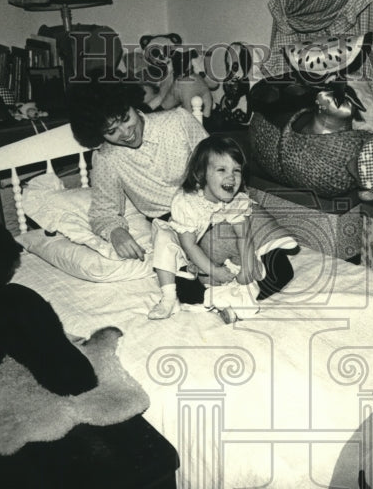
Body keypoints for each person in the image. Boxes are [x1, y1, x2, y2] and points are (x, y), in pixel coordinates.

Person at [68, 81, 294, 316]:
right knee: (186, 289)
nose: (125, 133)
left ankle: (232, 297)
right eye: (111, 131)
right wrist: (116, 232)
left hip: (219, 201)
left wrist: (234, 206)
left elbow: (219, 163)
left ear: (133, 106)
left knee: (280, 269)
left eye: (125, 119)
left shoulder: (177, 121)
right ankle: (231, 296)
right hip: (181, 223)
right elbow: (103, 212)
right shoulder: (106, 159)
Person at [150, 136, 265, 320]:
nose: (231, 177)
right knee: (163, 238)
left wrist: (246, 267)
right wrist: (214, 271)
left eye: (237, 170)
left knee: (255, 275)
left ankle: (228, 301)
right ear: (200, 174)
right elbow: (189, 246)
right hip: (185, 248)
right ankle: (168, 298)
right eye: (222, 169)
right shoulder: (187, 202)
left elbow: (244, 235)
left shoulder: (236, 200)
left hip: (211, 251)